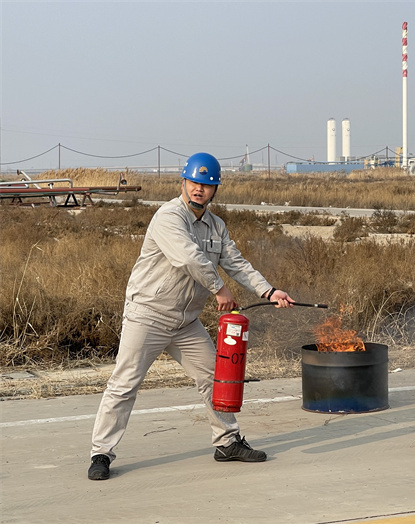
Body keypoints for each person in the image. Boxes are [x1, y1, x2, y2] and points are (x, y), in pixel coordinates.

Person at [88, 152, 293, 481]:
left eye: (207, 185)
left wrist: (269, 291)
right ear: (183, 182)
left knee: (216, 377)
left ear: (215, 190)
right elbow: (188, 258)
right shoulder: (169, 216)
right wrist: (219, 289)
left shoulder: (216, 226)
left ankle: (227, 442)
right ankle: (101, 453)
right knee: (124, 384)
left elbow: (236, 263)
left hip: (185, 323)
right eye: (194, 182)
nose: (199, 189)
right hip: (149, 315)